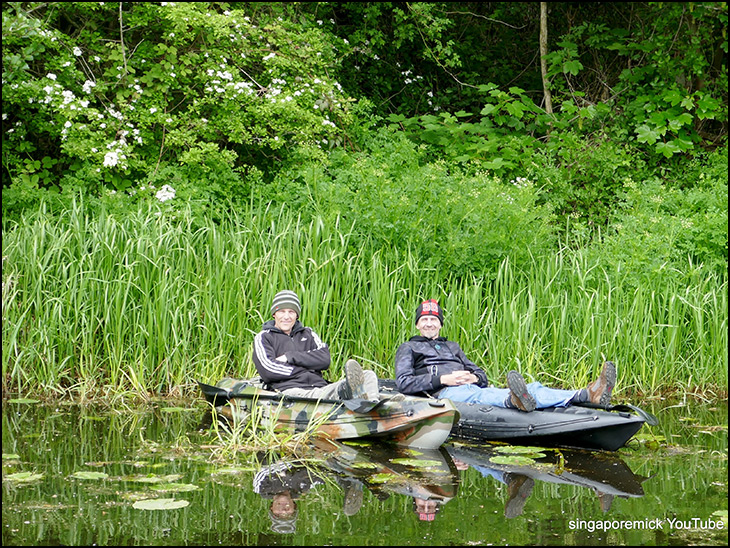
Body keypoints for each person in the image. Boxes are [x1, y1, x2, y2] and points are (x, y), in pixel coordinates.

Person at [395, 299, 616, 412]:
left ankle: (585, 395)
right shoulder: (409, 348)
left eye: (434, 319)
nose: (429, 323)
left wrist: (474, 378)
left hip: (470, 388)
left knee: (534, 388)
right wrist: (443, 379)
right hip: (443, 394)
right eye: (424, 319)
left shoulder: (452, 347)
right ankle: (512, 401)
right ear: (417, 324)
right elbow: (403, 382)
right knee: (482, 397)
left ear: (440, 324)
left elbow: (481, 375)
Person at [253, 289, 380, 401]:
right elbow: (268, 370)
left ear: (297, 315)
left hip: (320, 386)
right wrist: (307, 367)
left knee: (368, 375)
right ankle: (347, 393)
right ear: (274, 314)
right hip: (291, 391)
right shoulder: (264, 337)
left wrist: (289, 357)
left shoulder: (308, 333)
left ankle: (372, 404)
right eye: (282, 311)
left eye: (291, 312)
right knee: (321, 394)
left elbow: (325, 359)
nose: (286, 317)